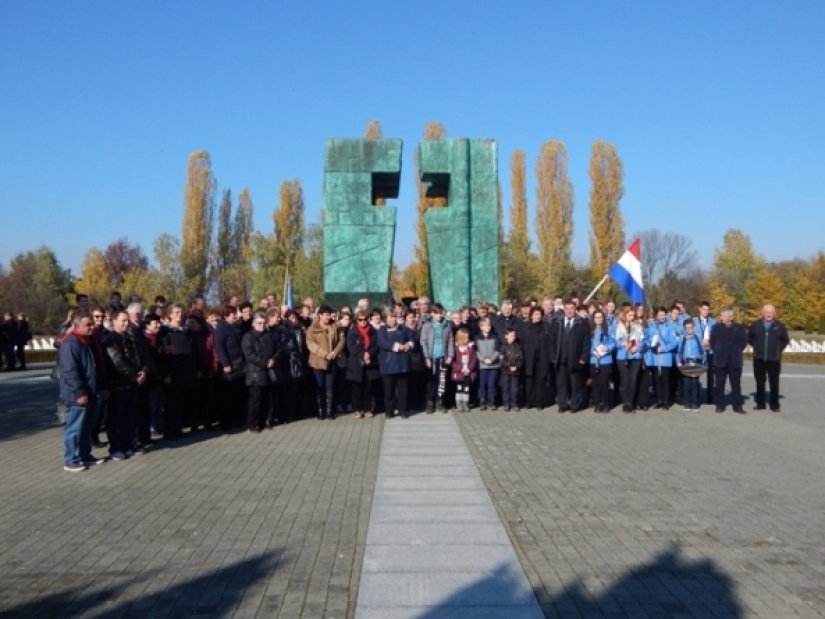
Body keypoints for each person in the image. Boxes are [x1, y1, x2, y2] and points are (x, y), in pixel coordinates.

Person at [58, 312, 102, 471]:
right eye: (88, 325)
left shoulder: (86, 342)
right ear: (77, 326)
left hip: (91, 391)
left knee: (86, 427)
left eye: (92, 324)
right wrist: (79, 393)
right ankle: (71, 459)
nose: (92, 327)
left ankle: (85, 455)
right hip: (77, 395)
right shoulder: (71, 344)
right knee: (74, 428)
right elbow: (70, 371)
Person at [103, 310, 147, 460]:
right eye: (123, 321)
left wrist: (143, 371)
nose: (126, 323)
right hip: (117, 384)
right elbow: (118, 362)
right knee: (115, 418)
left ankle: (128, 444)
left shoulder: (131, 338)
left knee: (129, 417)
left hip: (132, 384)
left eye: (127, 320)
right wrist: (134, 376)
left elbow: (140, 356)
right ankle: (115, 448)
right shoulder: (110, 340)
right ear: (114, 321)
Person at [549, 300, 590, 412]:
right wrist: (553, 356)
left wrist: (583, 357)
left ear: (575, 309)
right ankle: (562, 405)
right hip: (560, 358)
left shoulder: (582, 323)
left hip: (575, 359)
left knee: (575, 384)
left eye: (571, 308)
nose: (569, 311)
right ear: (564, 310)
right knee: (561, 384)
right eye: (567, 308)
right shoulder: (557, 322)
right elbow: (551, 341)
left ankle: (575, 405)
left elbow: (586, 342)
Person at [748, 304, 789, 412]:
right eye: (766, 312)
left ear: (774, 314)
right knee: (760, 382)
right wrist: (756, 346)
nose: (769, 314)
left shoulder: (780, 326)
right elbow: (750, 338)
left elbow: (785, 340)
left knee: (774, 383)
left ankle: (774, 405)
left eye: (771, 312)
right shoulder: (756, 325)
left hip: (774, 359)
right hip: (759, 359)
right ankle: (760, 404)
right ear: (762, 313)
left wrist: (777, 349)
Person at [306, 305, 344, 420]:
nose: (328, 317)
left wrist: (335, 352)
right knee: (320, 386)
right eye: (326, 315)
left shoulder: (335, 326)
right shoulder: (312, 328)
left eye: (330, 314)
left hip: (332, 361)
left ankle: (329, 410)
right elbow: (311, 344)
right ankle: (320, 410)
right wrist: (324, 354)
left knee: (330, 387)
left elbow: (342, 340)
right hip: (318, 362)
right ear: (320, 315)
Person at [376, 308, 414, 418]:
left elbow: (411, 338)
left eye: (394, 317)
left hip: (402, 363)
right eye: (391, 317)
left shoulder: (403, 328)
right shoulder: (382, 330)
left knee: (403, 390)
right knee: (389, 391)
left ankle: (403, 410)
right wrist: (398, 346)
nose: (393, 319)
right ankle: (389, 411)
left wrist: (409, 345)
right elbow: (383, 344)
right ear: (386, 319)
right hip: (388, 364)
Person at [242, 312, 276, 432]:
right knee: (255, 400)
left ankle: (264, 421)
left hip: (268, 372)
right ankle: (252, 424)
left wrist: (273, 359)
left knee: (267, 399)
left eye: (263, 323)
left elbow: (275, 349)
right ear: (253, 324)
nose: (261, 325)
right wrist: (264, 362)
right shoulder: (248, 337)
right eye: (259, 323)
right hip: (255, 373)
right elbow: (250, 354)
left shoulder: (268, 335)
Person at [709, 308, 748, 414]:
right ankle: (720, 405)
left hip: (734, 360)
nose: (721, 318)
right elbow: (712, 342)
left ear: (731, 317)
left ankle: (737, 406)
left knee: (736, 384)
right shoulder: (716, 328)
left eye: (723, 316)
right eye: (721, 315)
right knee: (719, 384)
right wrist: (718, 350)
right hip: (720, 360)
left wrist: (736, 350)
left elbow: (744, 342)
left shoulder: (739, 328)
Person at [419, 303, 454, 413]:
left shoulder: (447, 325)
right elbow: (423, 341)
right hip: (431, 357)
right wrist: (427, 357)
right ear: (432, 314)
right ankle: (430, 402)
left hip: (443, 357)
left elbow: (450, 341)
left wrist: (450, 356)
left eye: (440, 313)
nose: (439, 315)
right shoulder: (427, 325)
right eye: (437, 313)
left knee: (441, 380)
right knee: (431, 381)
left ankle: (440, 400)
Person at [347, 310, 380, 419]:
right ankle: (357, 409)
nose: (363, 322)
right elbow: (351, 347)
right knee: (357, 388)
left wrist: (369, 354)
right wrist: (362, 354)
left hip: (370, 362)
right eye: (360, 320)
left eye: (365, 319)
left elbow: (376, 345)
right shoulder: (352, 331)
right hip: (356, 363)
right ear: (356, 320)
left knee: (368, 387)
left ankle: (367, 408)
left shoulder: (373, 331)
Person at [612, 307, 646, 413]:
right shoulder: (619, 326)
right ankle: (625, 402)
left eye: (633, 315)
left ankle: (630, 403)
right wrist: (623, 344)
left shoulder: (638, 326)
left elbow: (643, 341)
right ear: (625, 315)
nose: (632, 317)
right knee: (625, 379)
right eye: (629, 315)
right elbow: (615, 341)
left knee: (633, 379)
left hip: (635, 356)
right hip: (623, 356)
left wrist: (639, 347)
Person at [645, 306, 678, 410]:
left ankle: (666, 401)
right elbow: (648, 338)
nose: (662, 317)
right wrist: (652, 344)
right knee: (657, 380)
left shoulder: (670, 327)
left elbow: (674, 342)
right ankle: (659, 400)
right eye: (660, 315)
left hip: (666, 358)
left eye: (663, 314)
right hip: (655, 357)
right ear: (656, 316)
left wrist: (664, 348)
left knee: (665, 380)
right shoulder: (652, 326)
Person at [521, 307, 551, 409]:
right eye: (535, 314)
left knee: (540, 381)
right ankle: (529, 401)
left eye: (539, 314)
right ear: (531, 315)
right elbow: (522, 343)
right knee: (529, 381)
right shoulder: (526, 328)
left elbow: (549, 343)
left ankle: (540, 402)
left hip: (541, 358)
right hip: (529, 358)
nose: (537, 316)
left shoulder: (546, 327)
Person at [676, 318, 706, 412]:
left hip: (696, 362)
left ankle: (695, 404)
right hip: (685, 362)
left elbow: (702, 350)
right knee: (686, 384)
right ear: (684, 328)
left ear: (694, 327)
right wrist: (678, 361)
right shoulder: (682, 338)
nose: (689, 329)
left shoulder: (698, 337)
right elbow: (679, 351)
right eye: (687, 328)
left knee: (694, 383)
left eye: (691, 327)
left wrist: (703, 360)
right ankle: (687, 403)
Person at [589, 310, 616, 413]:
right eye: (596, 317)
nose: (598, 319)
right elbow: (587, 344)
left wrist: (607, 348)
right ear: (593, 319)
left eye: (600, 317)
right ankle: (597, 403)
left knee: (604, 383)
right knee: (595, 383)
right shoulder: (591, 330)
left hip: (605, 360)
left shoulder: (608, 329)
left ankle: (605, 403)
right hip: (593, 359)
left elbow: (613, 343)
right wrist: (592, 351)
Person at [693, 301, 717, 404]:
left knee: (711, 375)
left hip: (710, 352)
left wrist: (711, 342)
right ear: (699, 309)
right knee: (696, 374)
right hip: (698, 352)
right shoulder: (693, 321)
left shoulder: (713, 322)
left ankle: (711, 397)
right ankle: (696, 396)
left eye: (707, 309)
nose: (706, 311)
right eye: (704, 309)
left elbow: (716, 336)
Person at [474, 317, 500, 410]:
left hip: (493, 365)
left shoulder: (495, 337)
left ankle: (491, 401)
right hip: (482, 366)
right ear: (481, 327)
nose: (487, 327)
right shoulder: (477, 338)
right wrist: (483, 360)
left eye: (489, 325)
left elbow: (497, 350)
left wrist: (492, 360)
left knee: (491, 384)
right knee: (482, 384)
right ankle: (482, 401)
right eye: (485, 325)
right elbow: (476, 351)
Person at [451, 327, 478, 412]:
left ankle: (465, 404)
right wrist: (460, 369)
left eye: (468, 337)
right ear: (460, 338)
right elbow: (453, 362)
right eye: (465, 338)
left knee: (466, 389)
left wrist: (469, 369)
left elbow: (474, 360)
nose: (467, 339)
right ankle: (459, 404)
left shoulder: (470, 349)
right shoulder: (455, 349)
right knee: (459, 388)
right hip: (459, 373)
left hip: (468, 373)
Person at [499, 328, 524, 411]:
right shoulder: (503, 347)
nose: (513, 337)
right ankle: (506, 403)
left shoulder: (518, 346)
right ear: (506, 336)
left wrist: (517, 366)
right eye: (511, 335)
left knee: (515, 389)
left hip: (515, 372)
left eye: (514, 335)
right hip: (506, 371)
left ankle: (514, 403)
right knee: (506, 388)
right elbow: (502, 360)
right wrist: (509, 366)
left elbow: (521, 358)